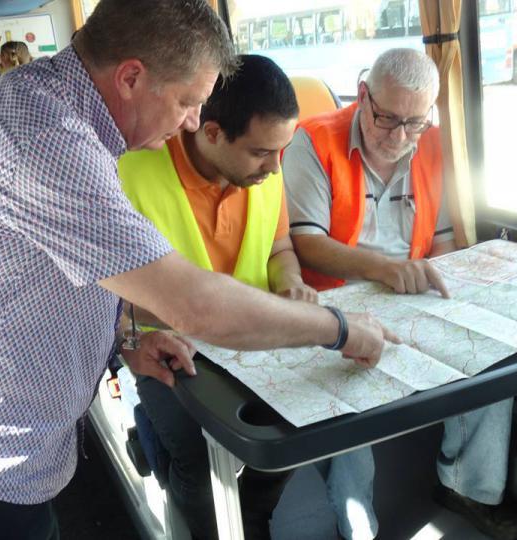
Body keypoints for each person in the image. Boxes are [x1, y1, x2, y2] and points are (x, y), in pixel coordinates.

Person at [0, 1, 397, 539]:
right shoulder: (46, 136)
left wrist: (124, 339)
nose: (194, 122)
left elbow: (57, 275)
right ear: (131, 77)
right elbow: (193, 304)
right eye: (188, 102)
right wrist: (339, 329)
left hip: (12, 441)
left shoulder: (52, 108)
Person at [282, 48, 517, 540]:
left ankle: (465, 486)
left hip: (409, 289)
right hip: (339, 298)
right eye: (386, 118)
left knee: (496, 357)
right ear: (363, 94)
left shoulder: (434, 144)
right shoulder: (312, 141)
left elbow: (440, 242)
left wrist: (457, 282)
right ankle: (360, 525)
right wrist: (385, 269)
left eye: (414, 123)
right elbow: (306, 245)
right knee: (344, 396)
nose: (398, 137)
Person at [118, 54, 316, 539]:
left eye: (281, 151)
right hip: (169, 346)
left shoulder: (265, 172)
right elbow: (110, 299)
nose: (274, 167)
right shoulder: (128, 173)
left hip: (252, 338)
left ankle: (252, 520)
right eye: (260, 153)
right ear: (209, 132)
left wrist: (289, 280)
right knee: (199, 464)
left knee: (295, 436)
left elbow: (281, 247)